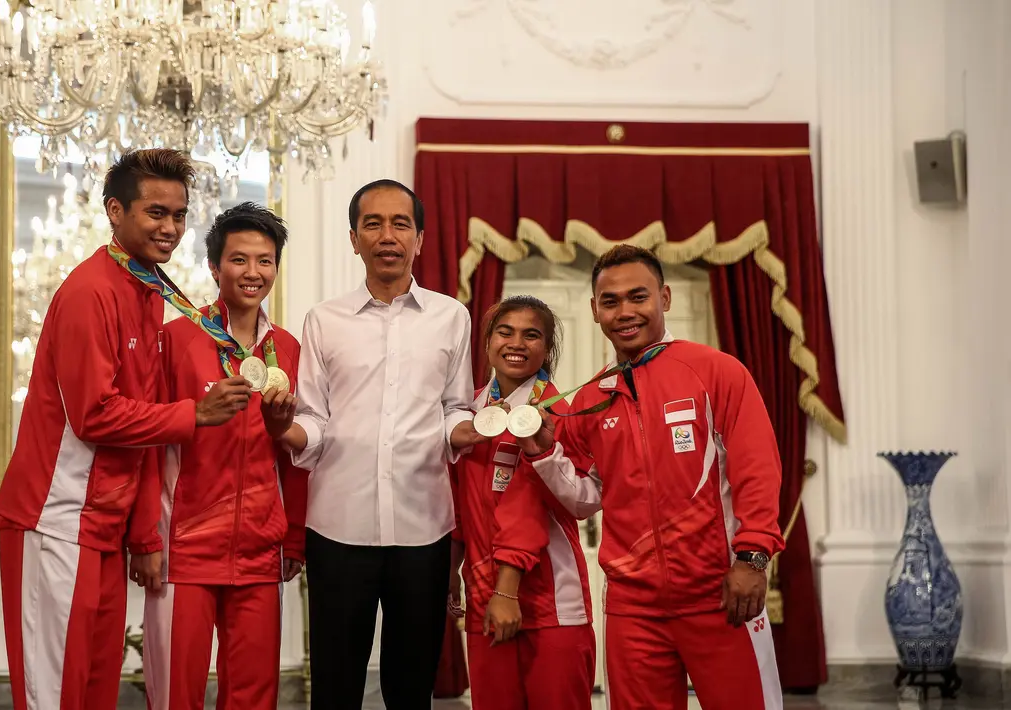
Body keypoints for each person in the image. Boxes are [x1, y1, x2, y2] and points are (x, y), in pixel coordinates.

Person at [0, 149, 253, 710]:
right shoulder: (92, 291)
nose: (170, 228)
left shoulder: (145, 288)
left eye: (180, 215)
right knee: (54, 693)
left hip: (102, 525)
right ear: (115, 210)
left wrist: (141, 534)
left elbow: (138, 425)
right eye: (155, 212)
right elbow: (94, 415)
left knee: (93, 691)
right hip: (55, 516)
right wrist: (194, 414)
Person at [512, 244, 785, 710]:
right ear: (594, 309)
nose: (625, 312)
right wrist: (542, 455)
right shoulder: (591, 399)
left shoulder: (716, 371)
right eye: (611, 301)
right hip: (632, 608)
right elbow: (583, 499)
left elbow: (756, 469)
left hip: (720, 593)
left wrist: (753, 559)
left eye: (638, 297)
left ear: (665, 297)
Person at [273, 179, 488, 709]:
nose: (387, 235)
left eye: (400, 224)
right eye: (373, 224)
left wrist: (474, 429)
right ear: (353, 239)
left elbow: (456, 408)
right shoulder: (324, 320)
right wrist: (281, 430)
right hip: (338, 526)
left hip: (424, 528)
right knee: (335, 682)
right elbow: (314, 419)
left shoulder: (451, 317)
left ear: (419, 238)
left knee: (411, 685)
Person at [141, 202, 307, 710]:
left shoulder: (290, 349)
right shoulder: (177, 339)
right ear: (215, 267)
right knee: (176, 693)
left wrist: (294, 537)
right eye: (239, 260)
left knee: (255, 695)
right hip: (182, 549)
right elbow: (148, 443)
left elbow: (297, 453)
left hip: (260, 549)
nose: (252, 273)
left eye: (265, 261)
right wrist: (145, 534)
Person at [448, 295, 596, 710]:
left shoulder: (559, 415)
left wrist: (507, 592)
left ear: (546, 349)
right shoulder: (470, 411)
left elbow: (527, 502)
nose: (517, 343)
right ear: (488, 342)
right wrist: (452, 568)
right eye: (505, 332)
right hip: (484, 593)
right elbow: (458, 501)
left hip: (549, 598)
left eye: (532, 335)